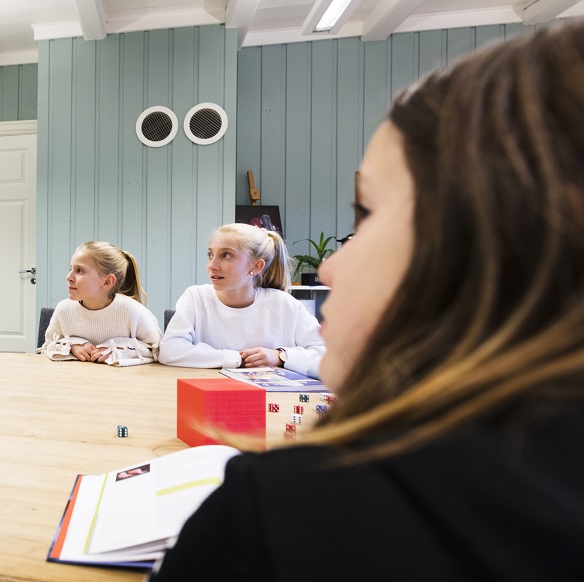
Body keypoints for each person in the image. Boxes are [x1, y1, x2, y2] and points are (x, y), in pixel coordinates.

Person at [150, 20, 584, 581]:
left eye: (368, 215)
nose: (330, 267)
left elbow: (312, 357)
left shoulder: (281, 507)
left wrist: (279, 358)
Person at [158, 223, 325, 377]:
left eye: (226, 255)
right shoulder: (195, 298)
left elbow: (326, 352)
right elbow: (169, 350)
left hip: (272, 397)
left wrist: (280, 356)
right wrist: (234, 358)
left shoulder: (284, 304)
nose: (212, 265)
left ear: (256, 266)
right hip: (208, 393)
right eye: (210, 255)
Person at [40, 241, 162, 366]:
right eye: (71, 269)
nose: (68, 277)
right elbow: (47, 347)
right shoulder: (64, 309)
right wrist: (71, 345)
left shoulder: (133, 311)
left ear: (107, 282)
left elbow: (158, 350)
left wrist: (118, 349)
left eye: (80, 270)